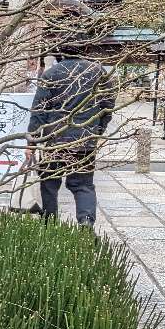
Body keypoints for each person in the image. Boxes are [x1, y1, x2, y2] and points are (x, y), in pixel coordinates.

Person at [25, 55, 113, 227]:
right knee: (83, 185)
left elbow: (39, 111)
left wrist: (32, 143)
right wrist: (97, 131)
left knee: (49, 181)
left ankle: (49, 223)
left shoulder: (51, 74)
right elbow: (107, 107)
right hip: (85, 140)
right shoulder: (98, 72)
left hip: (55, 139)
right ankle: (86, 222)